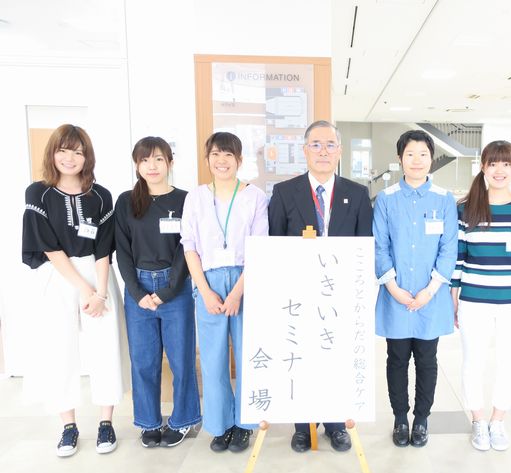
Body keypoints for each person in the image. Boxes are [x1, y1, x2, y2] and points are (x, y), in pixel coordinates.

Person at [22, 124, 128, 457]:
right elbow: (49, 247)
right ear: (52, 153)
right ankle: (68, 426)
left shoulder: (101, 195)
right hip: (59, 275)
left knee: (106, 346)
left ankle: (106, 422)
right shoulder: (37, 193)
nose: (70, 158)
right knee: (59, 349)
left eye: (78, 152)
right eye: (63, 150)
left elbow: (104, 248)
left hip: (98, 274)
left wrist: (100, 293)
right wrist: (85, 290)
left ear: (87, 156)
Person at [268, 120, 373, 453]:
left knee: (335, 358)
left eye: (330, 145)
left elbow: (364, 246)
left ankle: (336, 423)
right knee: (302, 357)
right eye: (316, 144)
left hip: (340, 294)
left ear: (340, 151)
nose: (323, 151)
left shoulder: (357, 194)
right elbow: (275, 244)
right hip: (298, 294)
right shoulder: (284, 192)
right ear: (305, 150)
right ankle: (303, 425)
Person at [181, 131, 268, 453]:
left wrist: (237, 294)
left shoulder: (255, 196)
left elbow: (259, 247)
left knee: (248, 356)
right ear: (207, 160)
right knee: (213, 359)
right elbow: (189, 247)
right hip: (208, 283)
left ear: (239, 160)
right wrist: (204, 292)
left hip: (246, 280)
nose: (221, 161)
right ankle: (220, 425)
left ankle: (245, 424)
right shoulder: (195, 198)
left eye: (228, 155)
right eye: (215, 154)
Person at [373, 130, 458, 448]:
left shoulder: (444, 199)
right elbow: (380, 245)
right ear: (400, 159)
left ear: (431, 158)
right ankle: (400, 418)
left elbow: (449, 248)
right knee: (396, 359)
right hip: (395, 293)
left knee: (426, 359)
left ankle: (421, 419)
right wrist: (392, 287)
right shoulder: (386, 198)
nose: (417, 160)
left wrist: (431, 289)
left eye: (423, 154)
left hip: (429, 296)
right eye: (410, 154)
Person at [115, 137, 201, 448]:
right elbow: (122, 250)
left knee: (181, 359)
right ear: (136, 164)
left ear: (170, 162)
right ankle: (149, 422)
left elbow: (186, 249)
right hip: (138, 287)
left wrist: (166, 291)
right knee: (143, 361)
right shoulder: (126, 201)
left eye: (159, 159)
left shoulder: (185, 199)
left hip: (175, 287)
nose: (152, 166)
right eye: (145, 160)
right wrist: (138, 292)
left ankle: (183, 420)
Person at [451, 140, 511, 451]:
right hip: (475, 299)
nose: (499, 170)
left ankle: (497, 421)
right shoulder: (465, 208)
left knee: (508, 362)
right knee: (473, 361)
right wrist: (454, 298)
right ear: (483, 167)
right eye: (493, 163)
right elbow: (459, 257)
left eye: (506, 164)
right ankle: (478, 420)